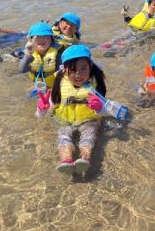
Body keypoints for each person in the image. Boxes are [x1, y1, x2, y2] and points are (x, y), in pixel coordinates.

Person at [36, 44, 107, 175]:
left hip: (88, 120)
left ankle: (85, 159)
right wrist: (42, 109)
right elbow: (41, 114)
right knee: (63, 136)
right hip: (65, 120)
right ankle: (66, 161)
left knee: (88, 136)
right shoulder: (59, 86)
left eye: (83, 69)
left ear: (90, 67)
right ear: (64, 70)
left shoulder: (93, 87)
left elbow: (105, 110)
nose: (78, 74)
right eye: (73, 70)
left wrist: (99, 107)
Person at [18, 22, 62, 90]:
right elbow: (22, 70)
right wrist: (28, 54)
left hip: (52, 84)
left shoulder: (56, 55)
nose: (42, 40)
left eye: (46, 37)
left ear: (52, 40)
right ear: (31, 40)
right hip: (36, 84)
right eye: (38, 37)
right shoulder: (29, 55)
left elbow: (60, 73)